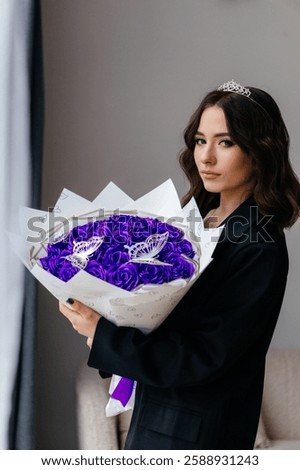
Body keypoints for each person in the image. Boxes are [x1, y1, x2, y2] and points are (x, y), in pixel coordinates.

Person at [59, 80, 300, 450]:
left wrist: (103, 336)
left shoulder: (260, 244)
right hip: (157, 415)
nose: (206, 156)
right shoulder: (196, 220)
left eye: (226, 142)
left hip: (199, 436)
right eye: (201, 140)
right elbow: (162, 319)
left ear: (259, 151)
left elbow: (203, 357)